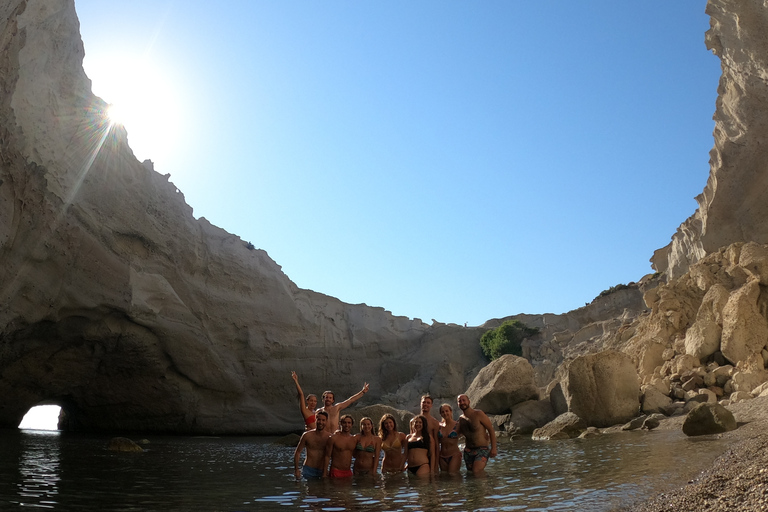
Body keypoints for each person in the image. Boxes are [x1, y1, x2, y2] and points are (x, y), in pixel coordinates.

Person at [456, 394, 498, 474]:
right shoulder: (461, 419)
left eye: (464, 400)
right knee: (471, 474)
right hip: (468, 451)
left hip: (482, 449)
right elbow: (456, 435)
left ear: (469, 401)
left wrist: (493, 448)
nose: (462, 402)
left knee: (477, 471)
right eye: (459, 401)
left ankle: (489, 486)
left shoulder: (478, 414)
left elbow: (491, 430)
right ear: (458, 404)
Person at [293, 411, 332, 479]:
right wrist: (296, 469)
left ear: (326, 421)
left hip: (322, 470)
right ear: (315, 420)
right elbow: (298, 452)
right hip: (308, 469)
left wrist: (328, 470)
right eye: (319, 419)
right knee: (310, 489)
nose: (321, 422)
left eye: (323, 420)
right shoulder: (307, 435)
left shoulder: (329, 437)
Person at [323, 414, 357, 478]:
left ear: (352, 424)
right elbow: (327, 456)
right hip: (336, 471)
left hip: (348, 472)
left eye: (349, 423)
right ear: (340, 424)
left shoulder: (354, 439)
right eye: (344, 423)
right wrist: (324, 474)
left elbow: (356, 455)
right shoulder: (333, 438)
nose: (347, 425)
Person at [437, 403, 462, 475]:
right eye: (442, 412)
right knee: (444, 478)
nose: (445, 413)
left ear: (451, 412)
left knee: (453, 476)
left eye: (447, 411)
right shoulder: (439, 426)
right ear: (440, 414)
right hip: (442, 456)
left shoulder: (457, 425)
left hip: (454, 455)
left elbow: (468, 434)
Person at [419, 394, 441, 474]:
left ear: (431, 405)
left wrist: (436, 464)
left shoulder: (434, 423)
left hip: (429, 454)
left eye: (428, 403)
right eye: (424, 402)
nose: (425, 404)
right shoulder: (414, 422)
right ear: (420, 403)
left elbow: (436, 443)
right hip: (418, 455)